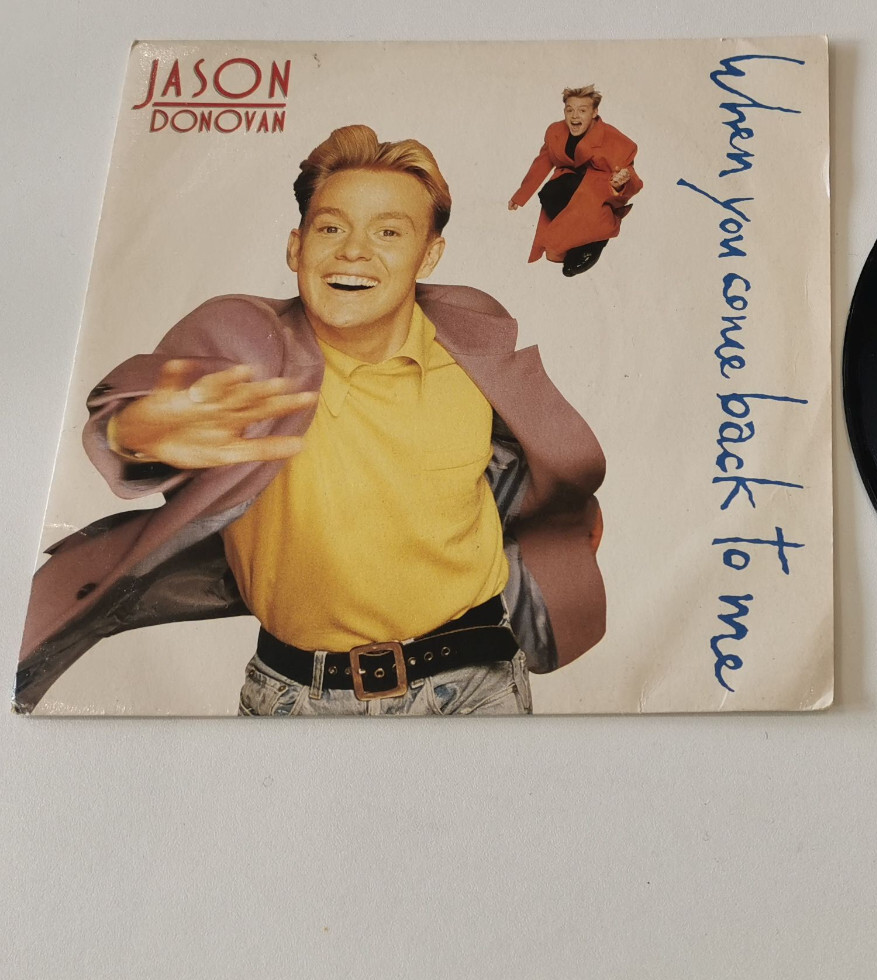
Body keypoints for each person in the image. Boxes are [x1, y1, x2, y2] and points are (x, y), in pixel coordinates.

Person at [15, 124, 605, 715]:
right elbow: (140, 404)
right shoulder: (243, 345)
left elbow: (541, 482)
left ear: (428, 255)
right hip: (296, 697)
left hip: (475, 684)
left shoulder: (471, 347)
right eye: (331, 228)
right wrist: (139, 432)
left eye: (388, 232)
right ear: (296, 248)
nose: (354, 251)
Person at [508, 85, 641, 276]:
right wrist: (520, 196)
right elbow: (543, 162)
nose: (574, 116)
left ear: (594, 112)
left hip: (601, 188)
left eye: (582, 110)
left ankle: (598, 239)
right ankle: (581, 239)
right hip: (569, 182)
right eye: (569, 110)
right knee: (550, 193)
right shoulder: (555, 131)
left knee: (576, 198)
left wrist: (620, 183)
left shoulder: (616, 140)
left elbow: (633, 178)